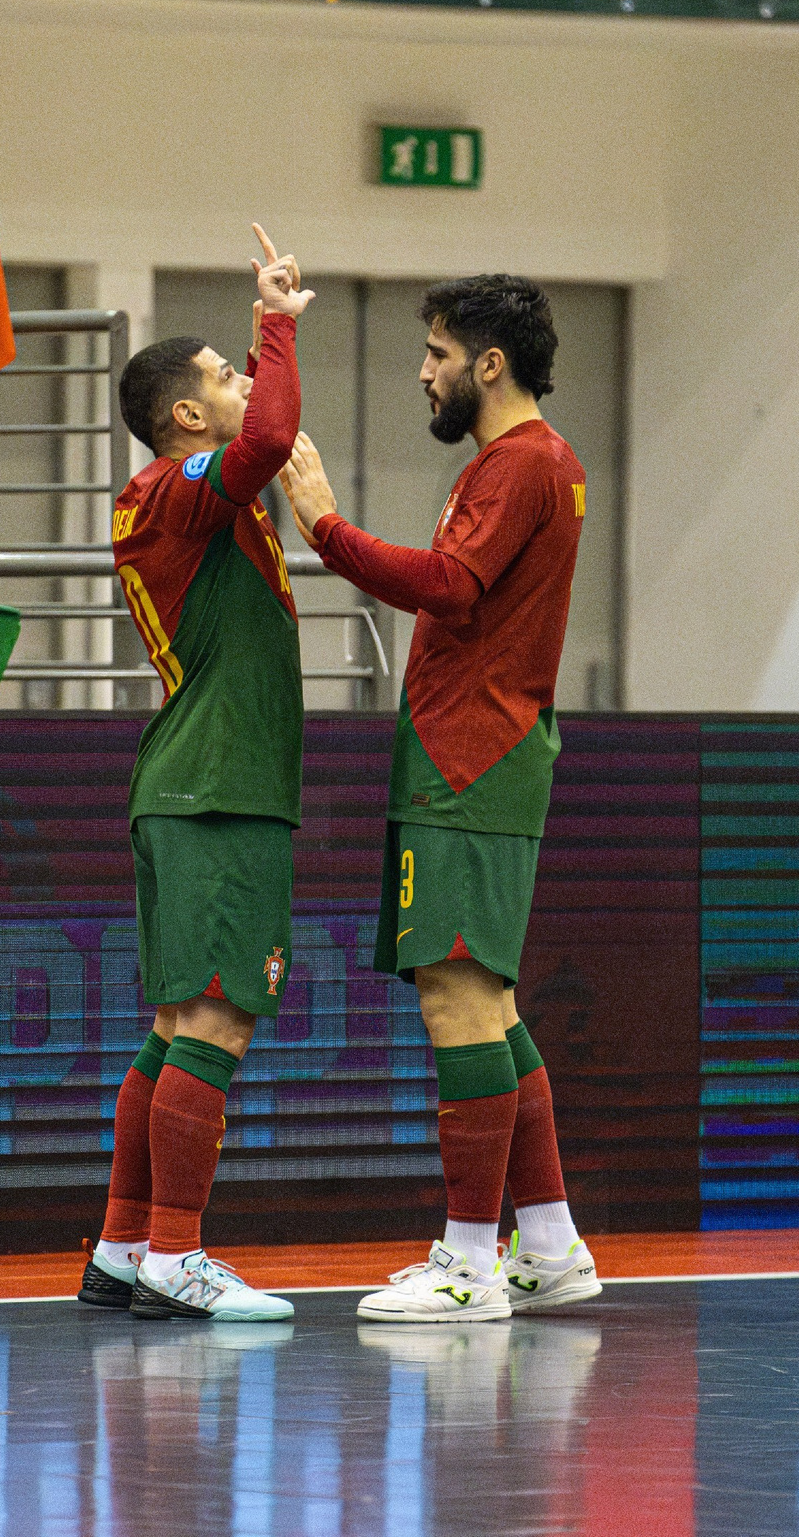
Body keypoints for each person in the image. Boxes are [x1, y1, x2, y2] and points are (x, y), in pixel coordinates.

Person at [279, 273, 601, 1324]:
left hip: (473, 758)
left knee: (458, 996)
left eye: (435, 353)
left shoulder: (523, 466)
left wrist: (324, 526)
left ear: (487, 363)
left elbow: (452, 589)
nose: (423, 371)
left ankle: (466, 1263)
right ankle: (547, 1244)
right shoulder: (527, 466)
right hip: (470, 754)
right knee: (490, 1003)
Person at [78, 226, 308, 1325]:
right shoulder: (179, 490)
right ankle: (177, 1254)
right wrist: (278, 318)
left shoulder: (172, 502)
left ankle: (123, 1248)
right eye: (224, 374)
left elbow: (260, 439)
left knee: (175, 1028)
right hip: (218, 788)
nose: (246, 381)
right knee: (216, 1022)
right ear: (184, 417)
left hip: (186, 782)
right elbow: (269, 440)